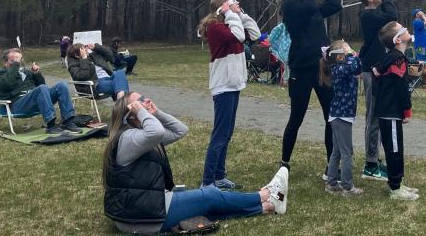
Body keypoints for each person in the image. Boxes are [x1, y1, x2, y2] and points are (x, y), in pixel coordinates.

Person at [103, 91, 288, 233]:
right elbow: (157, 132)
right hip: (142, 216)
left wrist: (156, 112)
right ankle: (264, 194)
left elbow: (180, 130)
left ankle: (268, 206)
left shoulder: (142, 135)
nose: (146, 101)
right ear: (130, 114)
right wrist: (145, 114)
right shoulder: (128, 138)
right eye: (139, 102)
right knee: (211, 195)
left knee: (211, 207)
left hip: (143, 211)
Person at [279, 0, 342, 173]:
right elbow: (306, 7)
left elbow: (334, 5)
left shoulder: (311, 3)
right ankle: (285, 162)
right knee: (296, 116)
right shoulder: (290, 5)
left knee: (330, 116)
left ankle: (331, 166)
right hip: (301, 67)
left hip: (322, 67)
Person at [200, 0, 260, 189]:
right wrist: (233, 16)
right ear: (222, 7)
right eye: (233, 1)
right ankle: (208, 181)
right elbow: (239, 36)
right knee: (220, 134)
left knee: (227, 133)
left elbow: (255, 34)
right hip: (223, 84)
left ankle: (219, 176)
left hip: (234, 83)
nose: (237, 3)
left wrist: (241, 15)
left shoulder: (231, 22)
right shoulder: (215, 27)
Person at [373, 22, 418, 201]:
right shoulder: (396, 59)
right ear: (398, 39)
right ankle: (395, 187)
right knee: (394, 148)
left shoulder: (393, 57)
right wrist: (406, 110)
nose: (407, 30)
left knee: (395, 147)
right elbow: (401, 88)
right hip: (391, 111)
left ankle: (397, 181)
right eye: (403, 30)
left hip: (388, 110)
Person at [358, 0, 397, 182]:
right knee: (373, 116)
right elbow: (392, 16)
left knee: (378, 114)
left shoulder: (372, 16)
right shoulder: (369, 15)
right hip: (372, 71)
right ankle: (370, 164)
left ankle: (374, 158)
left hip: (375, 67)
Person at [0, 48, 81, 134]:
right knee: (41, 89)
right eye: (13, 61)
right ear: (5, 62)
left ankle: (68, 121)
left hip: (36, 102)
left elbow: (43, 87)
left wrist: (36, 74)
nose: (17, 63)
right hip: (16, 105)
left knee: (61, 86)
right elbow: (8, 82)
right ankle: (51, 125)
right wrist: (15, 66)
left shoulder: (27, 73)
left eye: (19, 60)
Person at [319, 39, 364, 197]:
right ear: (339, 56)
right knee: (347, 152)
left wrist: (348, 53)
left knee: (337, 151)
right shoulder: (340, 68)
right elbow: (356, 66)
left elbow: (358, 67)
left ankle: (332, 182)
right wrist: (351, 53)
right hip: (342, 115)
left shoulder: (340, 67)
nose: (350, 51)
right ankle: (347, 186)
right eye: (345, 50)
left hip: (338, 114)